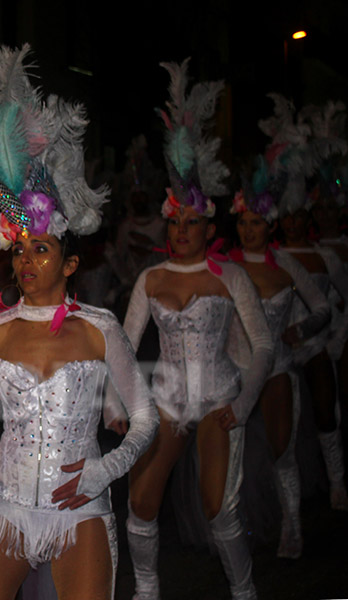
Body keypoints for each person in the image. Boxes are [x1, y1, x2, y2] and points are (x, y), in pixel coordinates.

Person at [0, 45, 158, 600]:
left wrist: (100, 474)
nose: (26, 262)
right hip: (6, 506)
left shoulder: (100, 327)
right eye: (19, 250)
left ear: (68, 263)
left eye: (40, 250)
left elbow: (145, 419)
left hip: (81, 508)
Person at [113, 59, 273, 600]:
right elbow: (123, 346)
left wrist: (246, 401)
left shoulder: (230, 277)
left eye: (192, 223)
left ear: (210, 225)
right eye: (175, 222)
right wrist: (117, 404)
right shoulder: (151, 277)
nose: (181, 231)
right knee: (140, 503)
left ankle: (243, 589)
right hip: (167, 399)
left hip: (219, 398)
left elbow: (264, 344)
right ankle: (147, 591)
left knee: (216, 506)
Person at [229, 179, 330, 558]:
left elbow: (322, 308)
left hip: (276, 368)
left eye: (256, 222)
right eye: (243, 222)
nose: (248, 229)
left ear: (270, 225)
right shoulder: (226, 265)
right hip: (235, 371)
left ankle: (292, 525)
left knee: (282, 448)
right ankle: (237, 532)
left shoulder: (286, 263)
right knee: (234, 460)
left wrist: (299, 329)